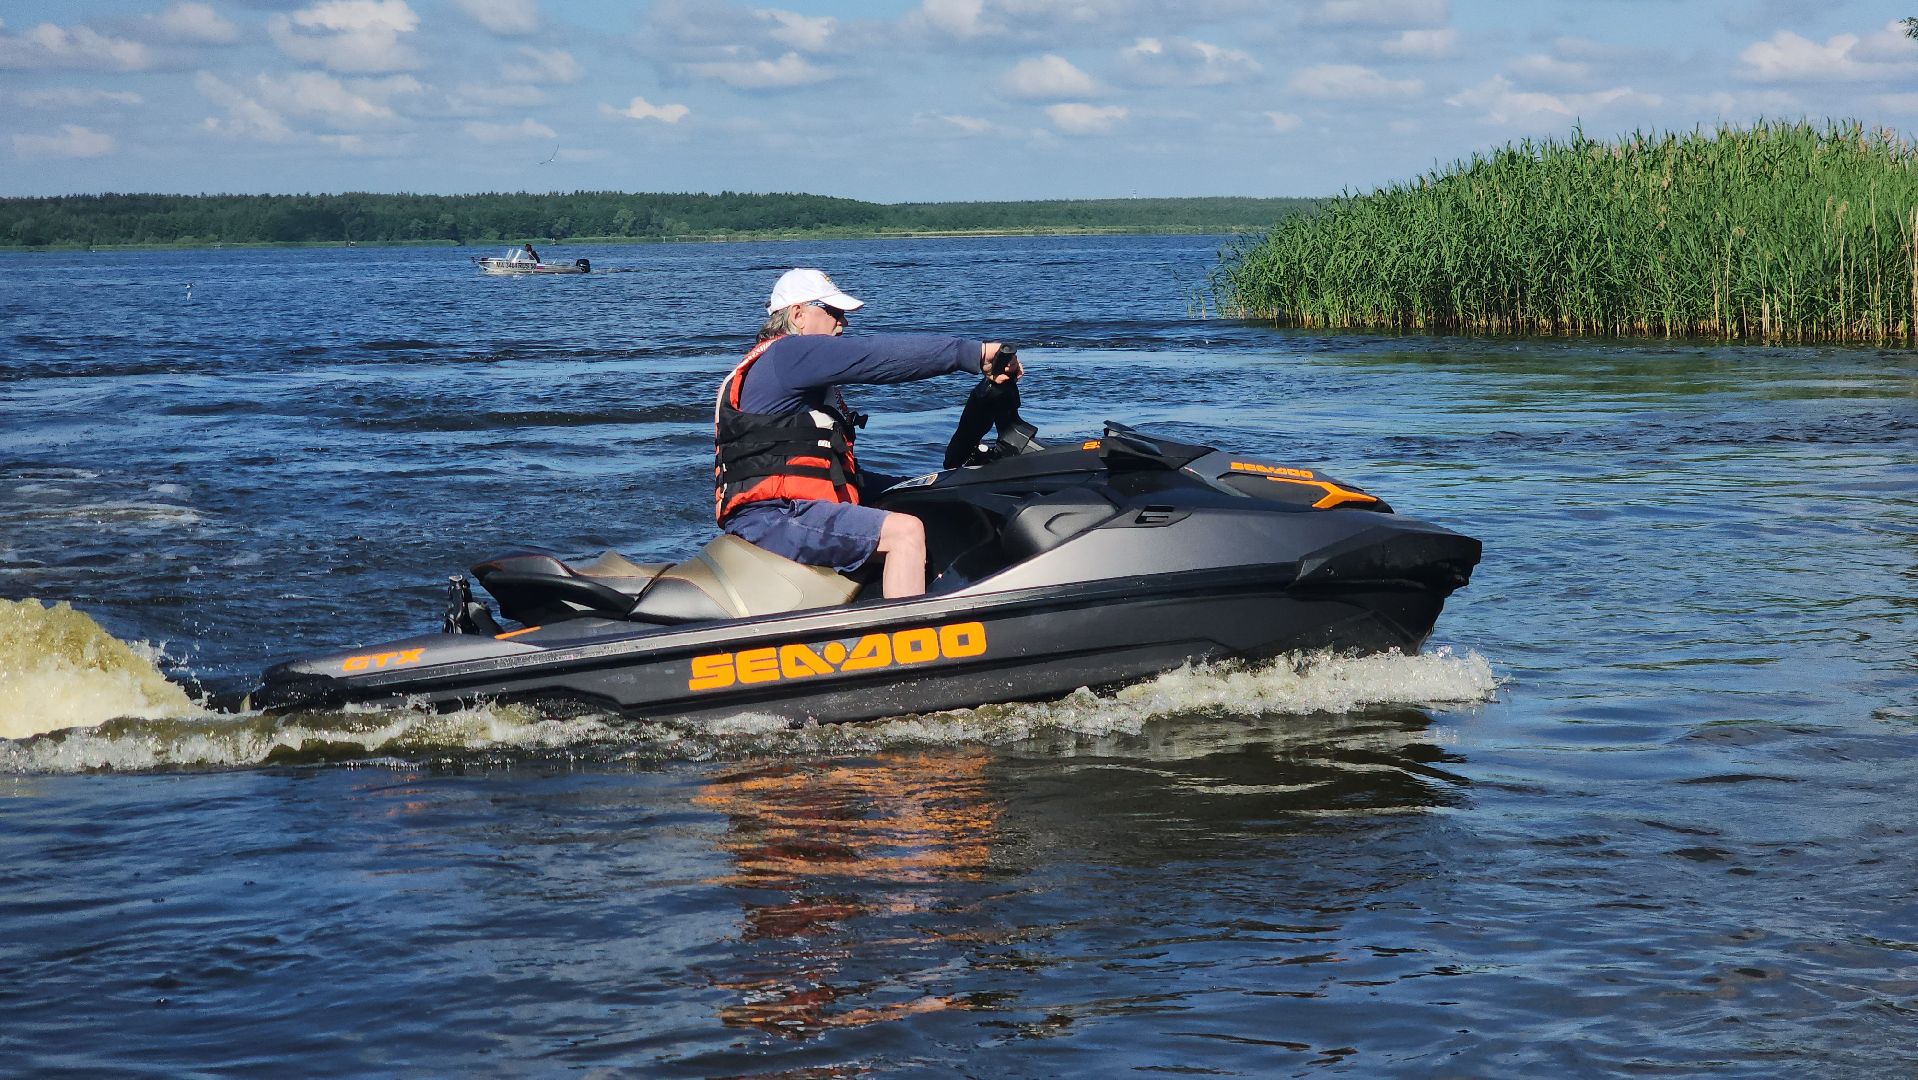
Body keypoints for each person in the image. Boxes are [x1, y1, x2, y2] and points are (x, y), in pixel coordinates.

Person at [714, 268, 1020, 599]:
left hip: (790, 507)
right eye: (833, 312)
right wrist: (972, 353)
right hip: (772, 516)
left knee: (921, 496)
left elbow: (822, 467)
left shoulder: (786, 366)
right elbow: (874, 356)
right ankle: (912, 642)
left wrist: (927, 485)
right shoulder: (788, 354)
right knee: (905, 533)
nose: (842, 323)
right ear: (798, 314)